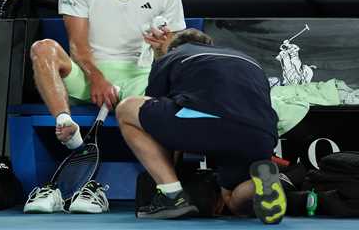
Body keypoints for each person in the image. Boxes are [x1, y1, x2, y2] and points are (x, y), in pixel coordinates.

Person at [24, 0, 186, 214]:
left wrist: (159, 45)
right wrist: (97, 78)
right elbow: (78, 45)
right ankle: (65, 123)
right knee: (42, 48)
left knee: (169, 104)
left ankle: (167, 188)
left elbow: (169, 55)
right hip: (88, 74)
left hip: (140, 78)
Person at [115, 28, 287, 224]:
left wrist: (173, 171)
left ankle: (172, 197)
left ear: (173, 48)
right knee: (231, 200)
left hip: (208, 122)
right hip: (262, 135)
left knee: (128, 109)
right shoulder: (248, 60)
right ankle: (258, 185)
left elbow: (154, 116)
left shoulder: (172, 57)